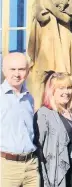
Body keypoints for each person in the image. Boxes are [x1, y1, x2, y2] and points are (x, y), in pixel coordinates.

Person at [27, 0, 72, 109]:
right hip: (45, 46)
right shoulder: (39, 0)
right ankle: (37, 111)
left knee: (66, 78)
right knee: (40, 78)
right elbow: (41, 17)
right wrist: (52, 7)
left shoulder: (69, 0)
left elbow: (66, 17)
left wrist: (50, 7)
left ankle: (70, 109)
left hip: (64, 44)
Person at [35, 72, 72, 187]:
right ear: (52, 91)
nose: (66, 92)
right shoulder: (44, 114)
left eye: (68, 88)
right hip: (57, 174)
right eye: (61, 88)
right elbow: (38, 148)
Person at [0, 52, 39, 187]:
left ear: (27, 72)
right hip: (6, 167)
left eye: (21, 69)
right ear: (4, 71)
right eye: (13, 69)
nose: (17, 74)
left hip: (31, 165)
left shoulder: (29, 99)